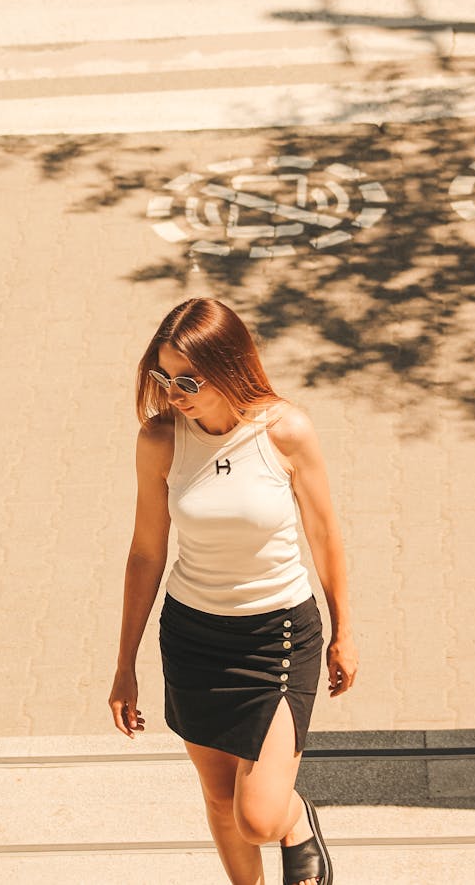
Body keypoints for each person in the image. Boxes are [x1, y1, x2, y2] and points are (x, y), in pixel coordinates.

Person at [108, 298, 358, 885]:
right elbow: (146, 552)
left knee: (258, 815)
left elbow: (325, 535)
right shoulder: (160, 440)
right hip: (193, 637)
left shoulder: (285, 431)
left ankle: (298, 820)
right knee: (220, 801)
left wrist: (345, 632)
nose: (173, 392)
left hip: (278, 635)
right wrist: (124, 665)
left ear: (227, 366)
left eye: (188, 379)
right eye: (162, 376)